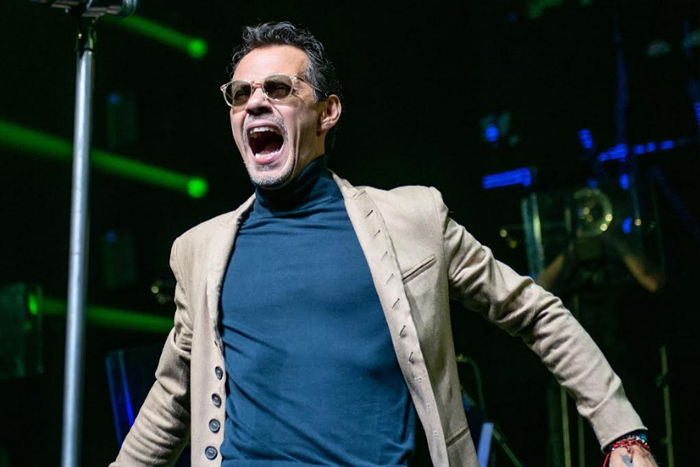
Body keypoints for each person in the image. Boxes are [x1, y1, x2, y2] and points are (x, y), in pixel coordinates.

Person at [111, 22, 658, 467]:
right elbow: (170, 399)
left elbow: (535, 312)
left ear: (328, 112)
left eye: (277, 89)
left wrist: (622, 433)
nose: (254, 103)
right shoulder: (199, 250)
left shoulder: (412, 220)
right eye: (240, 94)